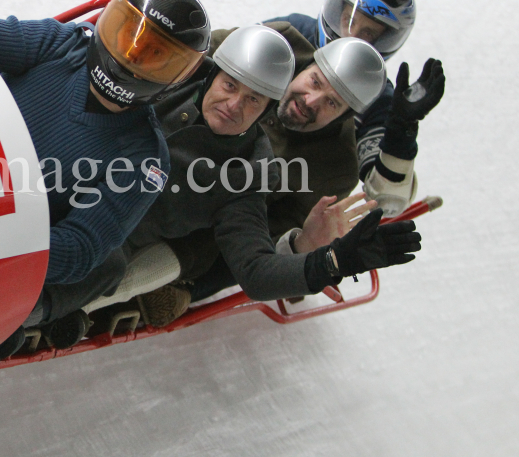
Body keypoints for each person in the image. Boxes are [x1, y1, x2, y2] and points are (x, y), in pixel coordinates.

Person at [33, 27, 423, 343]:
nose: (312, 100)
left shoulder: (281, 173)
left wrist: (318, 254)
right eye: (315, 82)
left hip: (191, 227)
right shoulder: (265, 44)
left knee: (115, 265)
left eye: (332, 104)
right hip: (84, 171)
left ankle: (64, 307)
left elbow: (256, 257)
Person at [0, 0, 212, 362]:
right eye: (125, 34)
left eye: (154, 55)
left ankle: (7, 322)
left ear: (177, 78)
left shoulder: (143, 161)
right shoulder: (65, 44)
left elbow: (82, 248)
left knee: (104, 267)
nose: (130, 55)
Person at [268, 0, 444, 217]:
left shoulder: (378, 99)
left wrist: (401, 134)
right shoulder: (288, 32)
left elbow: (387, 200)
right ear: (336, 10)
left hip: (281, 197)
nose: (350, 35)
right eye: (349, 19)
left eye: (368, 33)